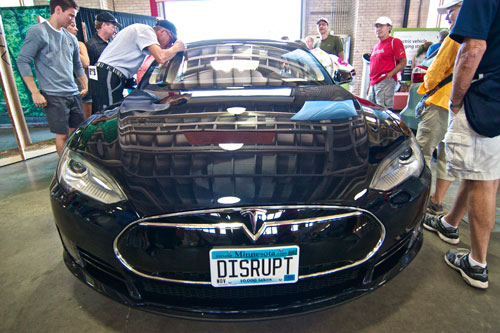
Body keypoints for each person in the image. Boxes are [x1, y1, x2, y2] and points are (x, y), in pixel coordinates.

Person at [424, 0, 500, 289]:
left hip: (486, 99)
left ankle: (477, 265)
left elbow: (472, 50)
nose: (450, 19)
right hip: (494, 97)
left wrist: (456, 100)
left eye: (451, 13)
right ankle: (449, 224)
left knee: (485, 181)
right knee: (479, 171)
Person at [17, 0, 87, 156]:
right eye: (70, 15)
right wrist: (35, 92)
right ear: (57, 10)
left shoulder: (71, 38)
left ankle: (78, 164)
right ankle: (64, 169)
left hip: (73, 92)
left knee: (77, 132)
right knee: (62, 135)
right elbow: (23, 60)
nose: (72, 20)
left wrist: (85, 84)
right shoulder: (38, 32)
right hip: (54, 94)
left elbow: (77, 64)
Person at [416, 1, 461, 216]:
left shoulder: (454, 38)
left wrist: (427, 87)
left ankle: (421, 201)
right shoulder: (480, 37)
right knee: (447, 156)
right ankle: (436, 201)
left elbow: (434, 74)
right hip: (460, 106)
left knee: (423, 152)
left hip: (440, 102)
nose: (447, 18)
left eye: (450, 12)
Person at [92, 20, 186, 112]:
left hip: (107, 74)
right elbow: (161, 57)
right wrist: (176, 48)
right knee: (108, 114)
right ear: (163, 31)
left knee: (105, 114)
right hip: (108, 74)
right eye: (171, 39)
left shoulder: (142, 33)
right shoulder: (145, 31)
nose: (170, 44)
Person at [85, 11, 120, 115]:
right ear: (104, 25)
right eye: (113, 27)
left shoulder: (110, 44)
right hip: (99, 91)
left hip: (111, 87)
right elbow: (88, 69)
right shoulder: (91, 45)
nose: (115, 30)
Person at [367, 16, 407, 109]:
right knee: (371, 110)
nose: (378, 29)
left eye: (381, 26)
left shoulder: (394, 42)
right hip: (374, 83)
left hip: (385, 81)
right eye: (377, 26)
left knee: (383, 110)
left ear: (389, 28)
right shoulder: (376, 47)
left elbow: (403, 62)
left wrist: (390, 74)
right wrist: (370, 85)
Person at [66, 22, 92, 119]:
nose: (76, 29)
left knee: (85, 120)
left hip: (81, 84)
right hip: (66, 85)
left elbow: (86, 63)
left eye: (76, 26)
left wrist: (73, 45)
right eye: (72, 26)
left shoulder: (79, 44)